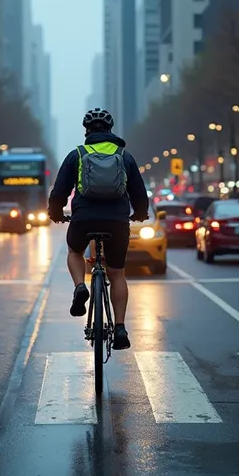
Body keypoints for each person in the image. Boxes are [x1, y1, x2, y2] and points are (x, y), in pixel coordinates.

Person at [48, 108, 149, 351]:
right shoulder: (124, 156)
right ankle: (121, 328)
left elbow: (59, 191)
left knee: (74, 251)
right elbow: (139, 193)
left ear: (87, 132)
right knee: (117, 274)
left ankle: (79, 286)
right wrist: (140, 213)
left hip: (84, 218)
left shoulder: (77, 155)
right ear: (110, 130)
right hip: (116, 220)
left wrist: (56, 213)